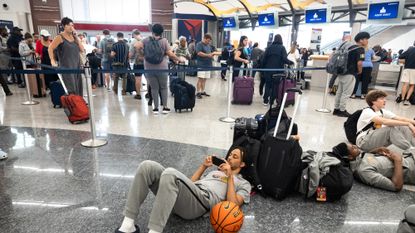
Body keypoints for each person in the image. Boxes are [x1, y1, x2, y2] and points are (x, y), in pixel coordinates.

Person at [115, 147, 251, 233]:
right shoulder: (214, 173)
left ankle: (155, 231)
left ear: (242, 164)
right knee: (147, 166)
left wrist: (230, 178)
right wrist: (203, 167)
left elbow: (233, 205)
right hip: (186, 196)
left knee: (170, 174)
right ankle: (128, 225)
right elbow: (190, 184)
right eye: (230, 154)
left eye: (235, 157)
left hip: (202, 203)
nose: (229, 157)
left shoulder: (243, 183)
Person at [134, 24, 181, 114]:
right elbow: (170, 54)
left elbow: (136, 46)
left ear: (152, 31)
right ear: (162, 32)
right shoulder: (164, 41)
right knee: (163, 87)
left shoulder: (146, 40)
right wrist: (178, 59)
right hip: (162, 67)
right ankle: (165, 107)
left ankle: (155, 108)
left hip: (149, 67)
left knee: (154, 88)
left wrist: (142, 54)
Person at [342, 143, 415, 192]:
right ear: (350, 157)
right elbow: (396, 186)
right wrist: (397, 160)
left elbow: (367, 159)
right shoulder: (364, 172)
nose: (355, 146)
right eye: (353, 148)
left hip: (410, 156)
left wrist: (375, 151)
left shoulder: (358, 157)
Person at [332, 32, 366, 117]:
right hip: (350, 73)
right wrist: (360, 71)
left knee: (339, 92)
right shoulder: (360, 49)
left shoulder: (349, 47)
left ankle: (336, 109)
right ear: (361, 40)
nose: (367, 41)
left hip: (342, 72)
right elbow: (359, 63)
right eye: (366, 39)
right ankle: (342, 110)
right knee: (346, 93)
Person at [49, 17, 85, 96]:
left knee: (79, 88)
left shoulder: (74, 37)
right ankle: (70, 107)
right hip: (67, 67)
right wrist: (52, 60)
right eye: (69, 25)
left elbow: (82, 49)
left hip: (77, 66)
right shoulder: (60, 37)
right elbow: (50, 48)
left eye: (72, 25)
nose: (71, 27)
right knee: (71, 89)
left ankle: (78, 106)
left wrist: (76, 37)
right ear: (64, 26)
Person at [260, 34, 294, 106]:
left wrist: (262, 69)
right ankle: (272, 101)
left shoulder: (269, 48)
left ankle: (265, 100)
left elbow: (264, 59)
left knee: (268, 85)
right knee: (275, 85)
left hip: (268, 70)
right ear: (281, 40)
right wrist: (291, 62)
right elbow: (284, 59)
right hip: (278, 71)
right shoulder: (282, 48)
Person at [195, 33, 220, 99]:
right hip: (201, 64)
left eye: (209, 41)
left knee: (205, 79)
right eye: (208, 40)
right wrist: (208, 55)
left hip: (208, 64)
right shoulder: (199, 44)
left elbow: (213, 52)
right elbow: (199, 53)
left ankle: (202, 91)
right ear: (204, 38)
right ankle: (198, 92)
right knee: (200, 78)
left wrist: (215, 53)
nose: (208, 42)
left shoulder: (208, 45)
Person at [398, 41, 415, 105]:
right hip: (414, 70)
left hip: (407, 69)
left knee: (405, 84)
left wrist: (407, 60)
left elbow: (400, 57)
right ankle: (407, 99)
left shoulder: (409, 50)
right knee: (412, 85)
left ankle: (402, 99)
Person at [129, 29, 145, 100]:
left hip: (137, 63)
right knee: (148, 79)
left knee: (138, 79)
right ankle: (149, 94)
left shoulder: (133, 42)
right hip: (146, 63)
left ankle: (138, 94)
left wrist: (129, 58)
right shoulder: (145, 40)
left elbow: (131, 54)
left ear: (133, 34)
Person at [0, 27, 12, 96]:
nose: (5, 32)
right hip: (2, 57)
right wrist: (6, 49)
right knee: (2, 74)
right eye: (4, 30)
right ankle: (7, 91)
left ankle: (7, 91)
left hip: (4, 57)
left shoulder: (3, 38)